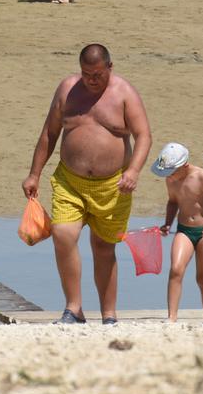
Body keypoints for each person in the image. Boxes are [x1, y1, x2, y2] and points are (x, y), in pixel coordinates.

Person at [22, 44, 152, 323]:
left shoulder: (124, 93)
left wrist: (134, 171)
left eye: (97, 74)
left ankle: (108, 314)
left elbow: (143, 136)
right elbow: (49, 133)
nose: (92, 80)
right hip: (70, 181)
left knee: (104, 248)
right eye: (86, 74)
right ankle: (73, 307)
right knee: (62, 234)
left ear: (110, 67)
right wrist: (34, 174)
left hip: (113, 186)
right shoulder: (68, 89)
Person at [153, 143, 203, 323]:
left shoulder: (201, 176)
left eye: (172, 171)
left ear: (184, 165)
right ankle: (172, 317)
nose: (169, 176)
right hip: (184, 230)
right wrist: (167, 223)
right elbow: (172, 201)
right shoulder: (170, 179)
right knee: (176, 269)